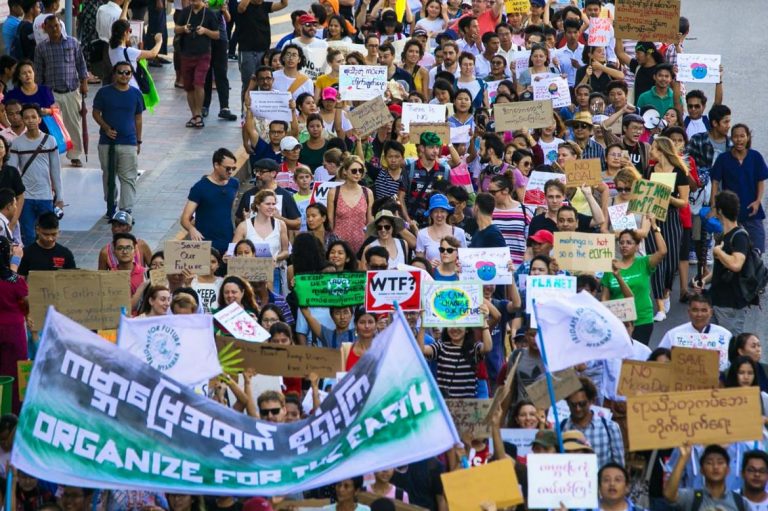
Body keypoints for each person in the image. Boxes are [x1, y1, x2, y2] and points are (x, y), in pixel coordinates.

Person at [34, 14, 88, 168]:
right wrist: (40, 93)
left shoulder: (72, 43)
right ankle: (54, 154)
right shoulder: (41, 48)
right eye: (50, 27)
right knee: (53, 126)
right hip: (52, 93)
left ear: (60, 25)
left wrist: (84, 83)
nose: (54, 29)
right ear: (45, 29)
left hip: (71, 91)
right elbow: (38, 73)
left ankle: (75, 155)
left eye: (56, 25)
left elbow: (81, 65)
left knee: (73, 124)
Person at [92, 61, 145, 218]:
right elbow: (96, 113)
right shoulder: (104, 92)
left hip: (129, 142)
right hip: (107, 143)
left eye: (127, 72)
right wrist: (106, 128)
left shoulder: (136, 94)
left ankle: (126, 209)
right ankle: (111, 204)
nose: (124, 75)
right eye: (120, 72)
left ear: (131, 75)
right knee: (108, 175)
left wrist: (139, 141)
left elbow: (138, 119)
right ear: (114, 74)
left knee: (128, 177)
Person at [601, 225, 666, 345]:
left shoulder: (644, 262)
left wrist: (655, 227)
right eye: (621, 243)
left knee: (637, 357)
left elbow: (662, 252)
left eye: (629, 243)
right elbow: (605, 297)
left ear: (637, 246)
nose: (624, 245)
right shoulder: (611, 266)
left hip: (641, 319)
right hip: (618, 321)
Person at [8, 103, 62, 246]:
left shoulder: (50, 141)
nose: (30, 120)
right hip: (25, 198)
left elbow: (55, 170)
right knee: (28, 236)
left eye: (33, 117)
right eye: (26, 117)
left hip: (45, 196)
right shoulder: (17, 143)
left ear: (39, 119)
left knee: (47, 234)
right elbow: (12, 172)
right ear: (22, 120)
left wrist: (60, 196)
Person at [699, 191, 752, 335]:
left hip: (731, 306)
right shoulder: (724, 235)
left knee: (729, 349)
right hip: (716, 301)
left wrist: (719, 252)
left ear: (720, 211)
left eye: (714, 207)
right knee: (710, 347)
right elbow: (721, 269)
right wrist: (704, 280)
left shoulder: (739, 236)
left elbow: (736, 265)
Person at [710, 124, 768, 253]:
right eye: (735, 136)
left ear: (747, 137)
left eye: (742, 136)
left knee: (756, 250)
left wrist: (758, 201)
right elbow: (715, 182)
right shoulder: (723, 159)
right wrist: (714, 207)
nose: (739, 139)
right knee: (728, 252)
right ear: (731, 138)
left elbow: (760, 181)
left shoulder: (755, 157)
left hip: (752, 212)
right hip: (729, 214)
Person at [180, 148, 239, 254]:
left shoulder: (234, 184)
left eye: (233, 168)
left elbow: (229, 208)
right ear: (216, 165)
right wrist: (192, 230)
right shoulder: (200, 187)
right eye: (227, 168)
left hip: (227, 241)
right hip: (205, 244)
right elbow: (184, 219)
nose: (230, 172)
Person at [174, 0, 220, 129]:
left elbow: (217, 34)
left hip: (203, 54)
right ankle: (194, 114)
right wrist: (183, 29)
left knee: (199, 83)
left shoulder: (209, 13)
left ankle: (199, 114)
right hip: (186, 54)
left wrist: (205, 31)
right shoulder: (185, 12)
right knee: (188, 87)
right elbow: (176, 29)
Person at [561, 377, 625, 468]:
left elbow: (619, 466)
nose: (577, 409)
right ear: (567, 403)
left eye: (582, 404)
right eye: (573, 405)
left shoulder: (610, 428)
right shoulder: (560, 428)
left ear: (592, 401)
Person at [664, 443, 749, 511]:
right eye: (709, 463)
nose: (715, 467)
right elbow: (669, 495)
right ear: (702, 470)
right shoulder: (692, 497)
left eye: (720, 462)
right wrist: (683, 458)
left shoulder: (740, 502)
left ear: (728, 470)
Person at [236, 0, 287, 102]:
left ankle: (263, 108)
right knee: (249, 83)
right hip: (247, 51)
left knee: (266, 82)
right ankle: (245, 112)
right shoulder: (243, 5)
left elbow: (283, 4)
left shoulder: (265, 6)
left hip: (264, 51)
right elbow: (241, 8)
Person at [657, 295, 732, 362]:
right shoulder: (673, 335)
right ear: (689, 312)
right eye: (695, 310)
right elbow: (658, 359)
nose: (699, 314)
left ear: (711, 312)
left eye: (704, 310)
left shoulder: (725, 335)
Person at [0, 237, 28, 414]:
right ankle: (14, 412)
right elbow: (27, 303)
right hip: (14, 332)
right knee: (17, 372)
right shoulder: (16, 281)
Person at [327, 156, 374, 254]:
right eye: (354, 170)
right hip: (338, 246)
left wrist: (367, 245)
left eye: (360, 170)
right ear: (345, 171)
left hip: (361, 245)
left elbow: (370, 223)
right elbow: (330, 223)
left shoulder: (368, 193)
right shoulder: (333, 192)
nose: (357, 173)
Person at [107, 20, 163, 92]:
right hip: (132, 87)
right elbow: (153, 53)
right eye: (130, 31)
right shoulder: (129, 51)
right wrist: (159, 41)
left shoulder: (111, 48)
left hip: (118, 85)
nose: (130, 33)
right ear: (125, 33)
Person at [415, 194, 467, 262]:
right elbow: (419, 264)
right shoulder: (422, 234)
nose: (439, 215)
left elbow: (465, 260)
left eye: (442, 211)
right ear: (431, 214)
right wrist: (429, 265)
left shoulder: (459, 232)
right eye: (436, 211)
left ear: (447, 213)